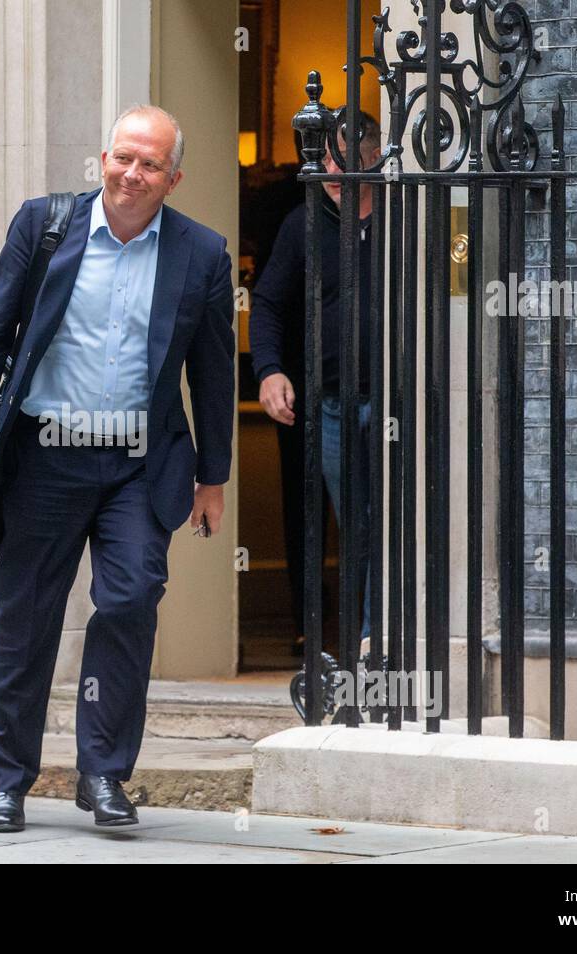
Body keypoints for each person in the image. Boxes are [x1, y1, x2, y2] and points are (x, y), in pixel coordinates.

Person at [0, 105, 235, 833]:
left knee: (131, 600)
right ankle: (8, 780)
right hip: (44, 457)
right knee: (25, 619)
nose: (131, 175)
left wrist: (212, 476)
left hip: (139, 466)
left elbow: (212, 372)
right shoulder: (43, 227)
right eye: (122, 158)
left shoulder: (201, 254)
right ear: (103, 158)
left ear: (174, 178)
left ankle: (103, 773)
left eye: (149, 165)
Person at [249, 110, 383, 658]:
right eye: (326, 156)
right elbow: (268, 304)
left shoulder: (406, 213)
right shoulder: (301, 223)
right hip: (330, 402)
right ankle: (353, 642)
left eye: (346, 156)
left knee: (386, 522)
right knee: (352, 523)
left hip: (400, 400)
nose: (333, 167)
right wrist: (270, 369)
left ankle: (377, 640)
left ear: (375, 155)